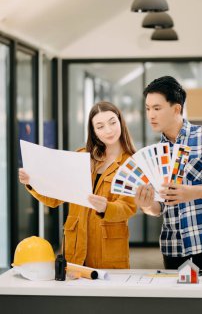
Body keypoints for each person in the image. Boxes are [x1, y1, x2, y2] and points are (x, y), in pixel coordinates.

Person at [135, 76, 202, 314]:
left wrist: (191, 192)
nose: (150, 115)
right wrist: (147, 205)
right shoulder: (155, 153)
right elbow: (158, 209)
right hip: (174, 249)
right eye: (148, 109)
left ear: (176, 108)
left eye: (157, 108)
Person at [19, 101, 137, 269]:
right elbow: (54, 199)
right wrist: (32, 182)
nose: (108, 130)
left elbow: (128, 207)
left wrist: (106, 207)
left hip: (108, 252)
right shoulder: (81, 157)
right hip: (75, 250)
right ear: (94, 132)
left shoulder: (131, 163)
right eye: (100, 126)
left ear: (120, 122)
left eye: (112, 122)